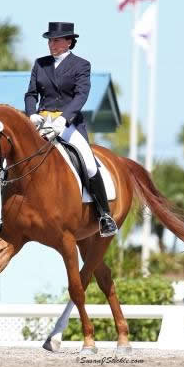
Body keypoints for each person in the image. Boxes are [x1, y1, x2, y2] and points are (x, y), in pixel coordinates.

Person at [23, 22, 118, 237]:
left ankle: (104, 215)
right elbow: (31, 94)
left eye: (56, 40)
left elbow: (80, 96)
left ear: (68, 42)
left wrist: (63, 119)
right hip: (41, 122)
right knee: (18, 156)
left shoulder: (81, 65)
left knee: (89, 163)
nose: (51, 44)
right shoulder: (40, 64)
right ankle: (7, 216)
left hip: (68, 123)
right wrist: (32, 114)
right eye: (49, 40)